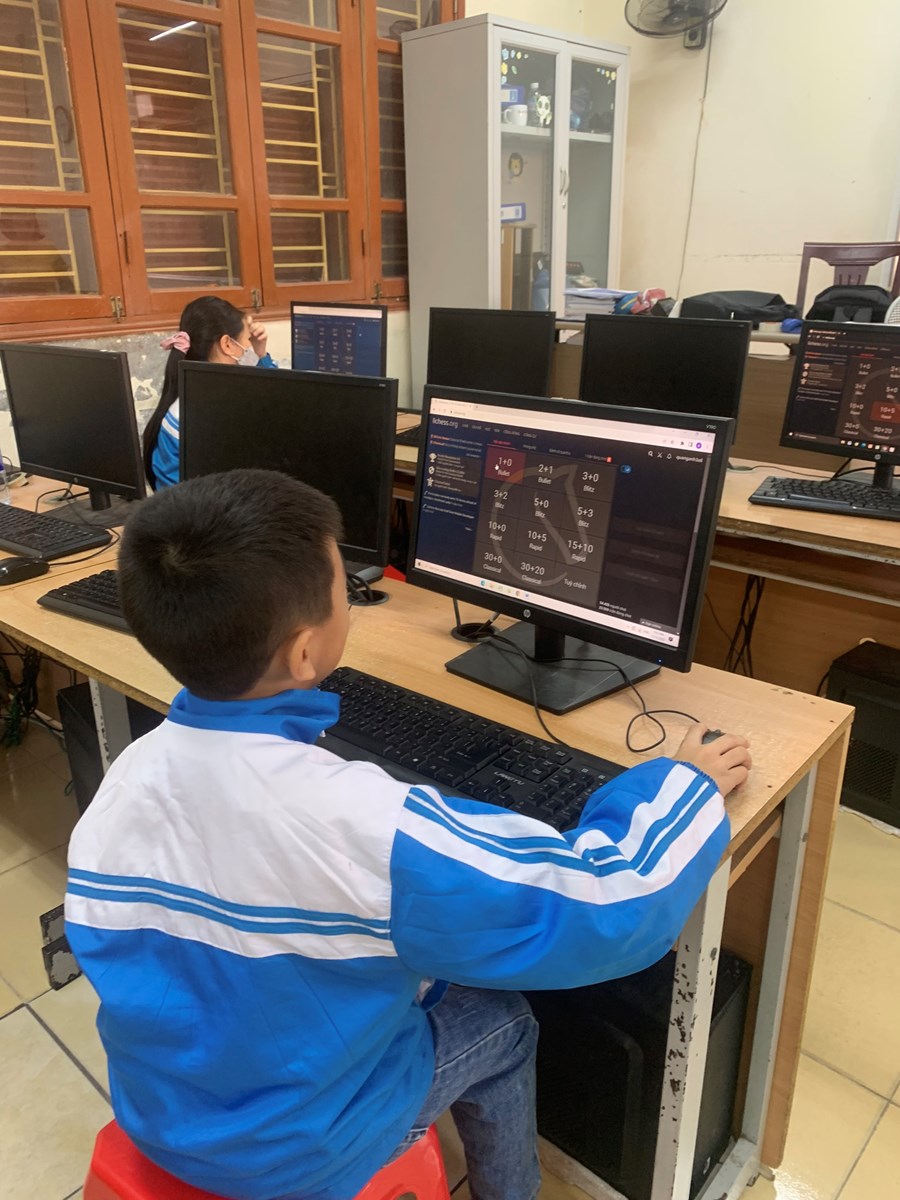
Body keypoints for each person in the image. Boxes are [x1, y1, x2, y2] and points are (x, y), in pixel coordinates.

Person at [65, 469, 752, 1200]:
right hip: (295, 1155)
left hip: (162, 1114)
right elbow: (611, 904)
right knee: (505, 1023)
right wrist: (686, 785)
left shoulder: (124, 783)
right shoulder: (367, 826)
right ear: (305, 654)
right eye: (345, 591)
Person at [142, 296, 275, 490]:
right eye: (248, 340)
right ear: (227, 344)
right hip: (207, 507)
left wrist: (260, 353)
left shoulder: (184, 403)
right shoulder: (229, 408)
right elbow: (278, 405)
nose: (249, 348)